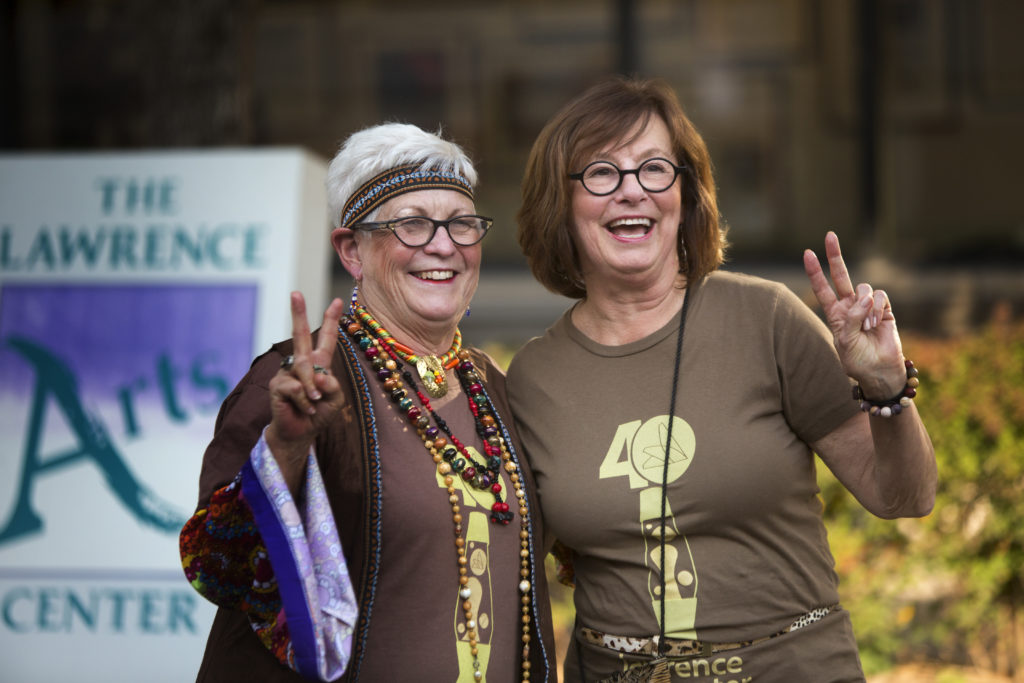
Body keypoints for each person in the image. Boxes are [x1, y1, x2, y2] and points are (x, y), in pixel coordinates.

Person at [507, 76, 937, 682]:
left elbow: (905, 497)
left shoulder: (766, 318)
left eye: (654, 169)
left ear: (685, 194)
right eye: (601, 173)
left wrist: (886, 387)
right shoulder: (533, 379)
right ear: (561, 203)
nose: (632, 191)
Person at [179, 122, 556, 682]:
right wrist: (286, 449)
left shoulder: (494, 386)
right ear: (352, 250)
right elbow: (220, 569)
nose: (444, 245)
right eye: (412, 224)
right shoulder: (294, 381)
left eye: (461, 224)